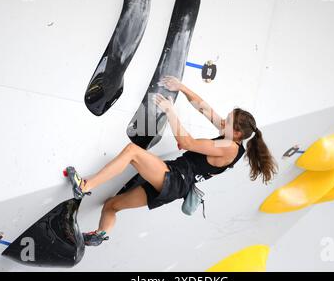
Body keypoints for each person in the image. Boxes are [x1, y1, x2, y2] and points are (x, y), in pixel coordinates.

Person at [66, 76, 278, 246]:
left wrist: (170, 111)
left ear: (238, 133)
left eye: (228, 121)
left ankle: (85, 186)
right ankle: (100, 234)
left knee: (132, 151)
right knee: (112, 205)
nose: (222, 121)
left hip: (176, 179)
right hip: (174, 185)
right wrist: (182, 87)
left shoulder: (229, 147)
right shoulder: (231, 138)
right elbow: (204, 108)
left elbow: (186, 142)